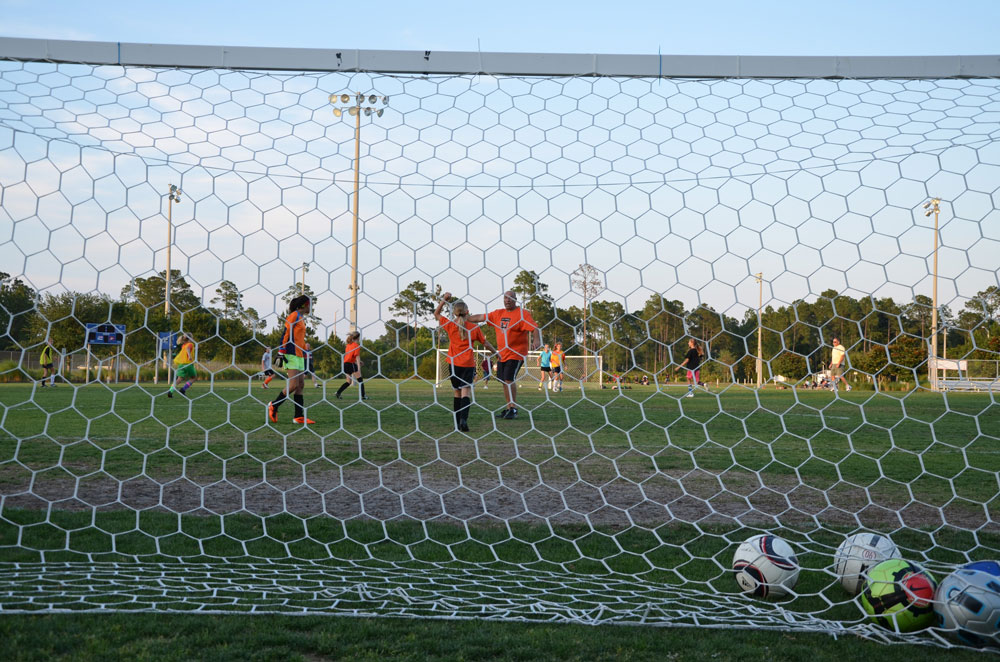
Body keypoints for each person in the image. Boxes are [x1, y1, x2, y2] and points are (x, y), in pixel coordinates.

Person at [468, 291, 541, 420]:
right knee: (503, 380)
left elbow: (535, 328)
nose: (507, 300)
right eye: (505, 298)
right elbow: (480, 317)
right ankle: (509, 408)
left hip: (516, 353)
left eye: (510, 298)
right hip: (502, 354)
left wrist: (536, 340)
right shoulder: (498, 314)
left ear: (515, 300)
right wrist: (464, 318)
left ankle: (513, 409)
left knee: (508, 378)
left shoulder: (522, 314)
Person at [435, 293, 498, 432]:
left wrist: (444, 300)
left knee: (456, 393)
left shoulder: (450, 325)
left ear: (454, 313)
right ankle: (464, 419)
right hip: (467, 365)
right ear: (468, 312)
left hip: (453, 364)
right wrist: (496, 353)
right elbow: (486, 343)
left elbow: (436, 313)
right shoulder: (474, 328)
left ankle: (457, 424)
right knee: (466, 393)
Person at [267, 295, 314, 424]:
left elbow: (299, 339)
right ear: (304, 305)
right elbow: (285, 334)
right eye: (310, 304)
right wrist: (281, 352)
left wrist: (305, 351)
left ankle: (298, 417)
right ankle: (274, 405)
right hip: (291, 353)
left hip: (299, 355)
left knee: (301, 385)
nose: (311, 307)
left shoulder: (301, 318)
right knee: (293, 385)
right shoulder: (293, 315)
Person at [335, 330, 367, 401]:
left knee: (348, 382)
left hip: (345, 364)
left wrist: (359, 361)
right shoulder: (356, 346)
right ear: (358, 338)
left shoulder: (348, 345)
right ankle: (363, 396)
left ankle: (338, 392)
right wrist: (359, 368)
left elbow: (350, 356)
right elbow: (357, 357)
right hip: (351, 364)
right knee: (360, 380)